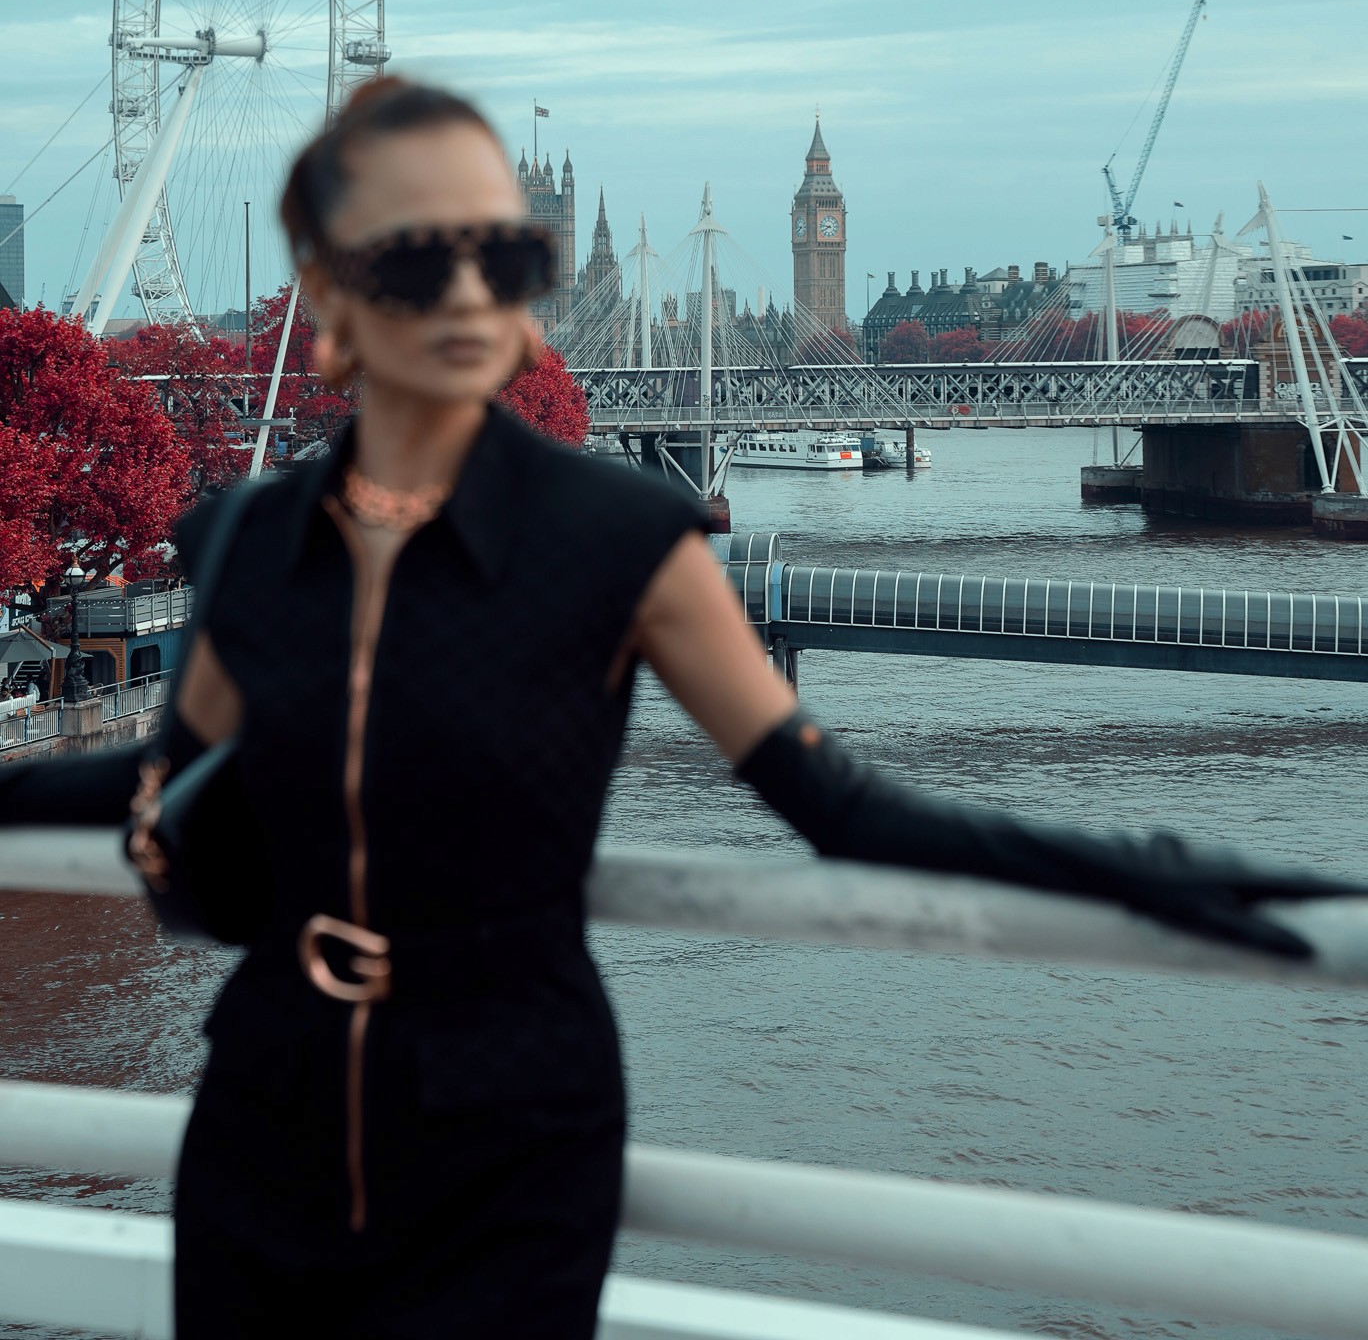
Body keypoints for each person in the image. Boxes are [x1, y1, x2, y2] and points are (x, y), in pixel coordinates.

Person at [0, 76, 1355, 1338]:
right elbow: (155, 783)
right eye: (422, 259)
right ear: (327, 288)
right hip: (267, 1101)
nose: (476, 293)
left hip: (510, 1120)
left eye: (511, 254)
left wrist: (1164, 877)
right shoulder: (238, 538)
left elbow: (842, 810)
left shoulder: (625, 534)